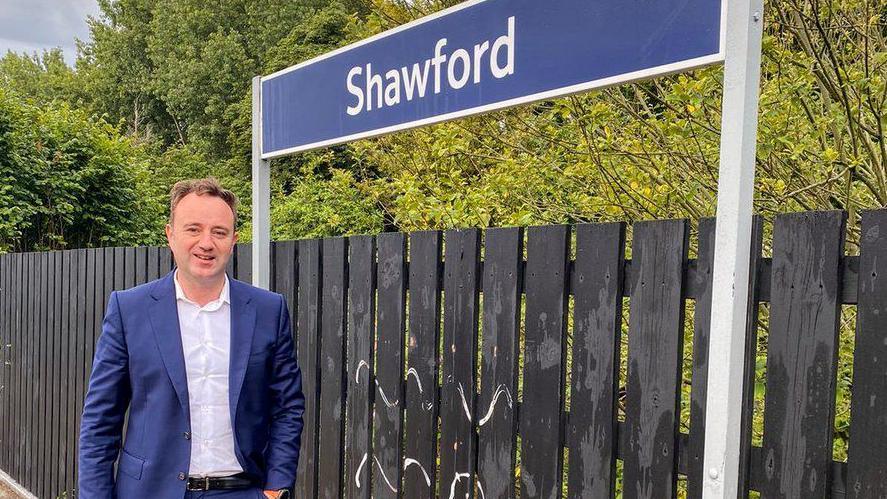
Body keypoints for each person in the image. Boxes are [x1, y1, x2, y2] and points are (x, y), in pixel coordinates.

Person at [79, 178, 304, 499]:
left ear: (233, 240)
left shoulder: (269, 310)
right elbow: (100, 421)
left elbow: (288, 406)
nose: (206, 242)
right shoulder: (129, 310)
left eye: (219, 232)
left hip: (240, 491)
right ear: (170, 235)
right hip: (150, 491)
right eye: (193, 229)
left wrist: (276, 488)